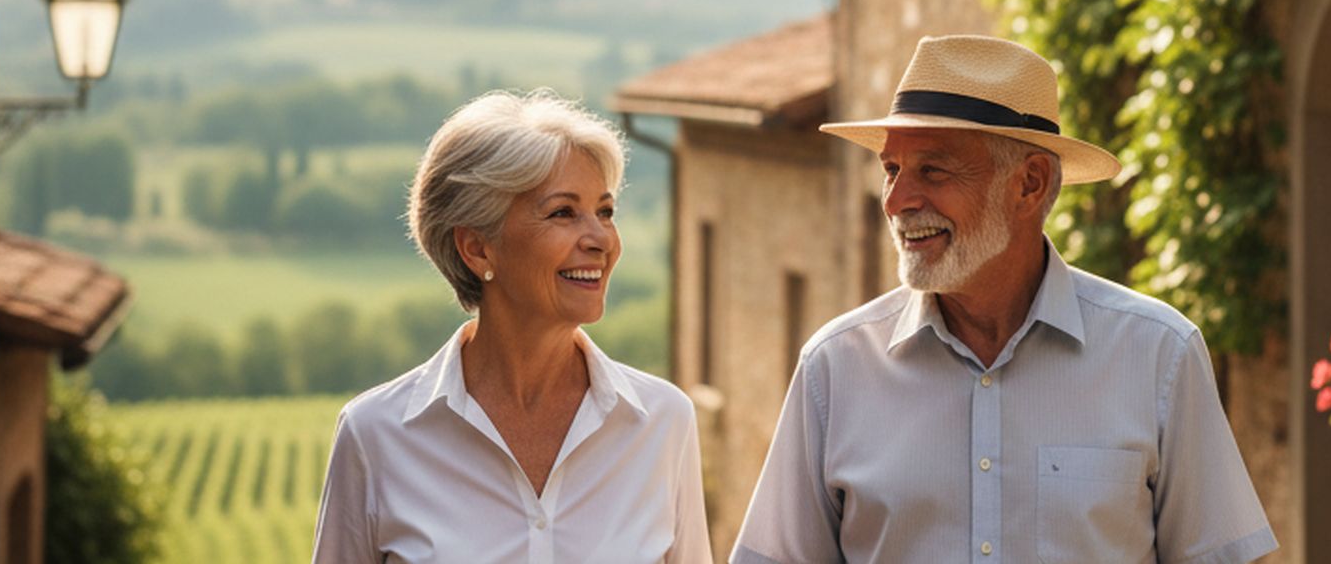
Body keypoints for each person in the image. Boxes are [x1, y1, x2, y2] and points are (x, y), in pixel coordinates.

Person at [732, 35, 1277, 564]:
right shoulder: (835, 367)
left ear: (1029, 184)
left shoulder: (1158, 354)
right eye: (891, 170)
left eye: (933, 170)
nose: (897, 201)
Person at [311, 90, 712, 563]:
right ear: (477, 248)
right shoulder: (375, 435)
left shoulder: (663, 422)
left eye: (605, 211)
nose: (601, 239)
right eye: (563, 212)